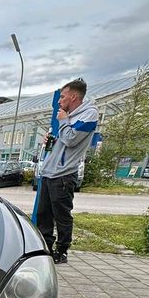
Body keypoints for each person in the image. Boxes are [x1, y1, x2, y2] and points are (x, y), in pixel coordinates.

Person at [37, 78, 99, 264]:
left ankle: (61, 251)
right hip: (49, 173)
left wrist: (64, 122)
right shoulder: (67, 116)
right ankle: (45, 247)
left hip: (63, 176)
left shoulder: (88, 115)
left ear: (73, 97)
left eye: (62, 96)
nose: (59, 100)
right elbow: (62, 142)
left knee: (62, 216)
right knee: (43, 214)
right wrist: (50, 141)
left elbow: (71, 139)